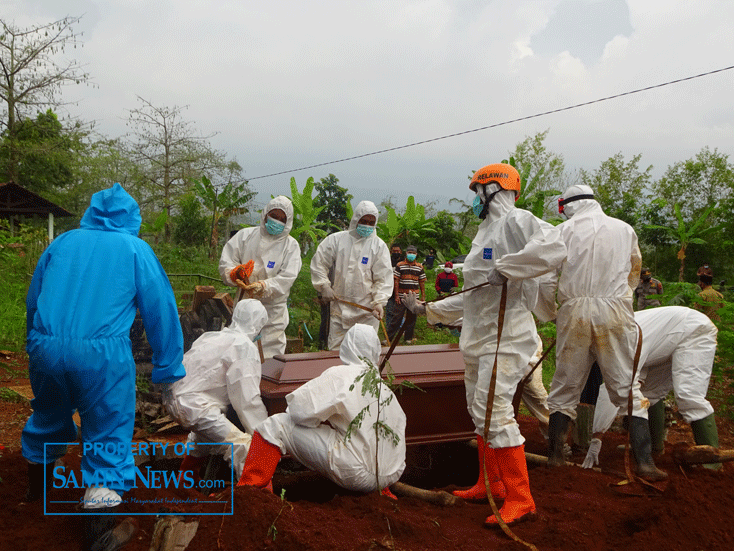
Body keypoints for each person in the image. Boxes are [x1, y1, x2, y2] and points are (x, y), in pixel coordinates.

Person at [21, 184, 185, 550]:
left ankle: (37, 495)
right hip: (101, 355)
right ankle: (99, 533)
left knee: (48, 414)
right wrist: (168, 368)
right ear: (132, 218)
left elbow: (34, 300)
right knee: (108, 435)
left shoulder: (61, 243)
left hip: (46, 345)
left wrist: (36, 342)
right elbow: (161, 311)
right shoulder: (134, 249)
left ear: (91, 212)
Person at [405, 163, 566, 526]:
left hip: (505, 339)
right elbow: (473, 296)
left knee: (494, 413)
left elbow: (555, 246)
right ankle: (488, 483)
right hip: (478, 340)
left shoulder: (515, 221)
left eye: (476, 191)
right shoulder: (485, 232)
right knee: (479, 413)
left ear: (491, 189)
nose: (474, 199)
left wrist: (510, 266)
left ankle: (521, 497)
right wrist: (429, 310)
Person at [546, 185, 667, 481]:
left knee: (565, 383)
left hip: (574, 310)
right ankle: (645, 463)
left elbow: (547, 277)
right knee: (626, 384)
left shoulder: (563, 230)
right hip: (614, 310)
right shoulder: (624, 229)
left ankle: (554, 457)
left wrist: (553, 311)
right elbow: (633, 271)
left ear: (570, 205)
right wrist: (620, 300)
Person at [237, 324, 407, 494]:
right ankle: (383, 492)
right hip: (392, 473)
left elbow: (299, 411)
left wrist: (318, 419)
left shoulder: (342, 375)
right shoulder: (383, 387)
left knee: (275, 425)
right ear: (376, 352)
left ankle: (251, 490)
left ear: (346, 347)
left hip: (356, 472)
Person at [582, 306, 721, 470]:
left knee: (689, 395)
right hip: (665, 341)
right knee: (648, 393)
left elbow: (614, 391)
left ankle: (713, 463)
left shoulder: (619, 338)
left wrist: (597, 437)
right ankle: (654, 447)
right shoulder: (613, 333)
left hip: (694, 331)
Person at [164, 300, 269, 481]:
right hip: (196, 406)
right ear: (259, 324)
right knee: (242, 446)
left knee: (202, 439)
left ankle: (183, 486)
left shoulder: (211, 336)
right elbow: (247, 400)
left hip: (174, 399)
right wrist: (265, 436)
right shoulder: (244, 347)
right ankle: (258, 500)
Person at [219, 196, 302, 359]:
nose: (277, 221)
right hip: (243, 310)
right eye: (274, 216)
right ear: (265, 215)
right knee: (237, 357)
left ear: (288, 222)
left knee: (269, 360)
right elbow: (227, 262)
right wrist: (234, 273)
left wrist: (264, 286)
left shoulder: (291, 246)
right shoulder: (245, 236)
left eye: (282, 219)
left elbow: (287, 277)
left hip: (271, 316)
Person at [311, 201, 393, 350]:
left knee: (365, 355)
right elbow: (319, 263)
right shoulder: (337, 240)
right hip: (339, 310)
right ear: (356, 219)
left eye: (371, 222)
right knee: (337, 354)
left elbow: (383, 278)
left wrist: (379, 302)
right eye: (363, 221)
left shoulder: (379, 246)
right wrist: (323, 285)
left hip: (367, 313)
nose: (367, 225)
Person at [386, 245, 426, 345]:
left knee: (411, 318)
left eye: (413, 253)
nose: (411, 255)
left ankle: (408, 338)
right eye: (409, 253)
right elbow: (396, 281)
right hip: (402, 296)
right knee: (396, 318)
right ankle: (388, 338)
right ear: (406, 253)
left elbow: (422, 282)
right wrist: (396, 295)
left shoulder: (419, 267)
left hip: (414, 297)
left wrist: (423, 296)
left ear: (416, 254)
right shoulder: (400, 265)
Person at [384, 244, 404, 330]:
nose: (396, 253)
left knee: (400, 311)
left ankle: (400, 329)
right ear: (391, 252)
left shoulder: (404, 262)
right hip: (389, 289)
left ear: (401, 252)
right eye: (394, 251)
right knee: (389, 309)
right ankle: (389, 328)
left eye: (397, 251)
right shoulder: (387, 261)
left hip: (401, 290)